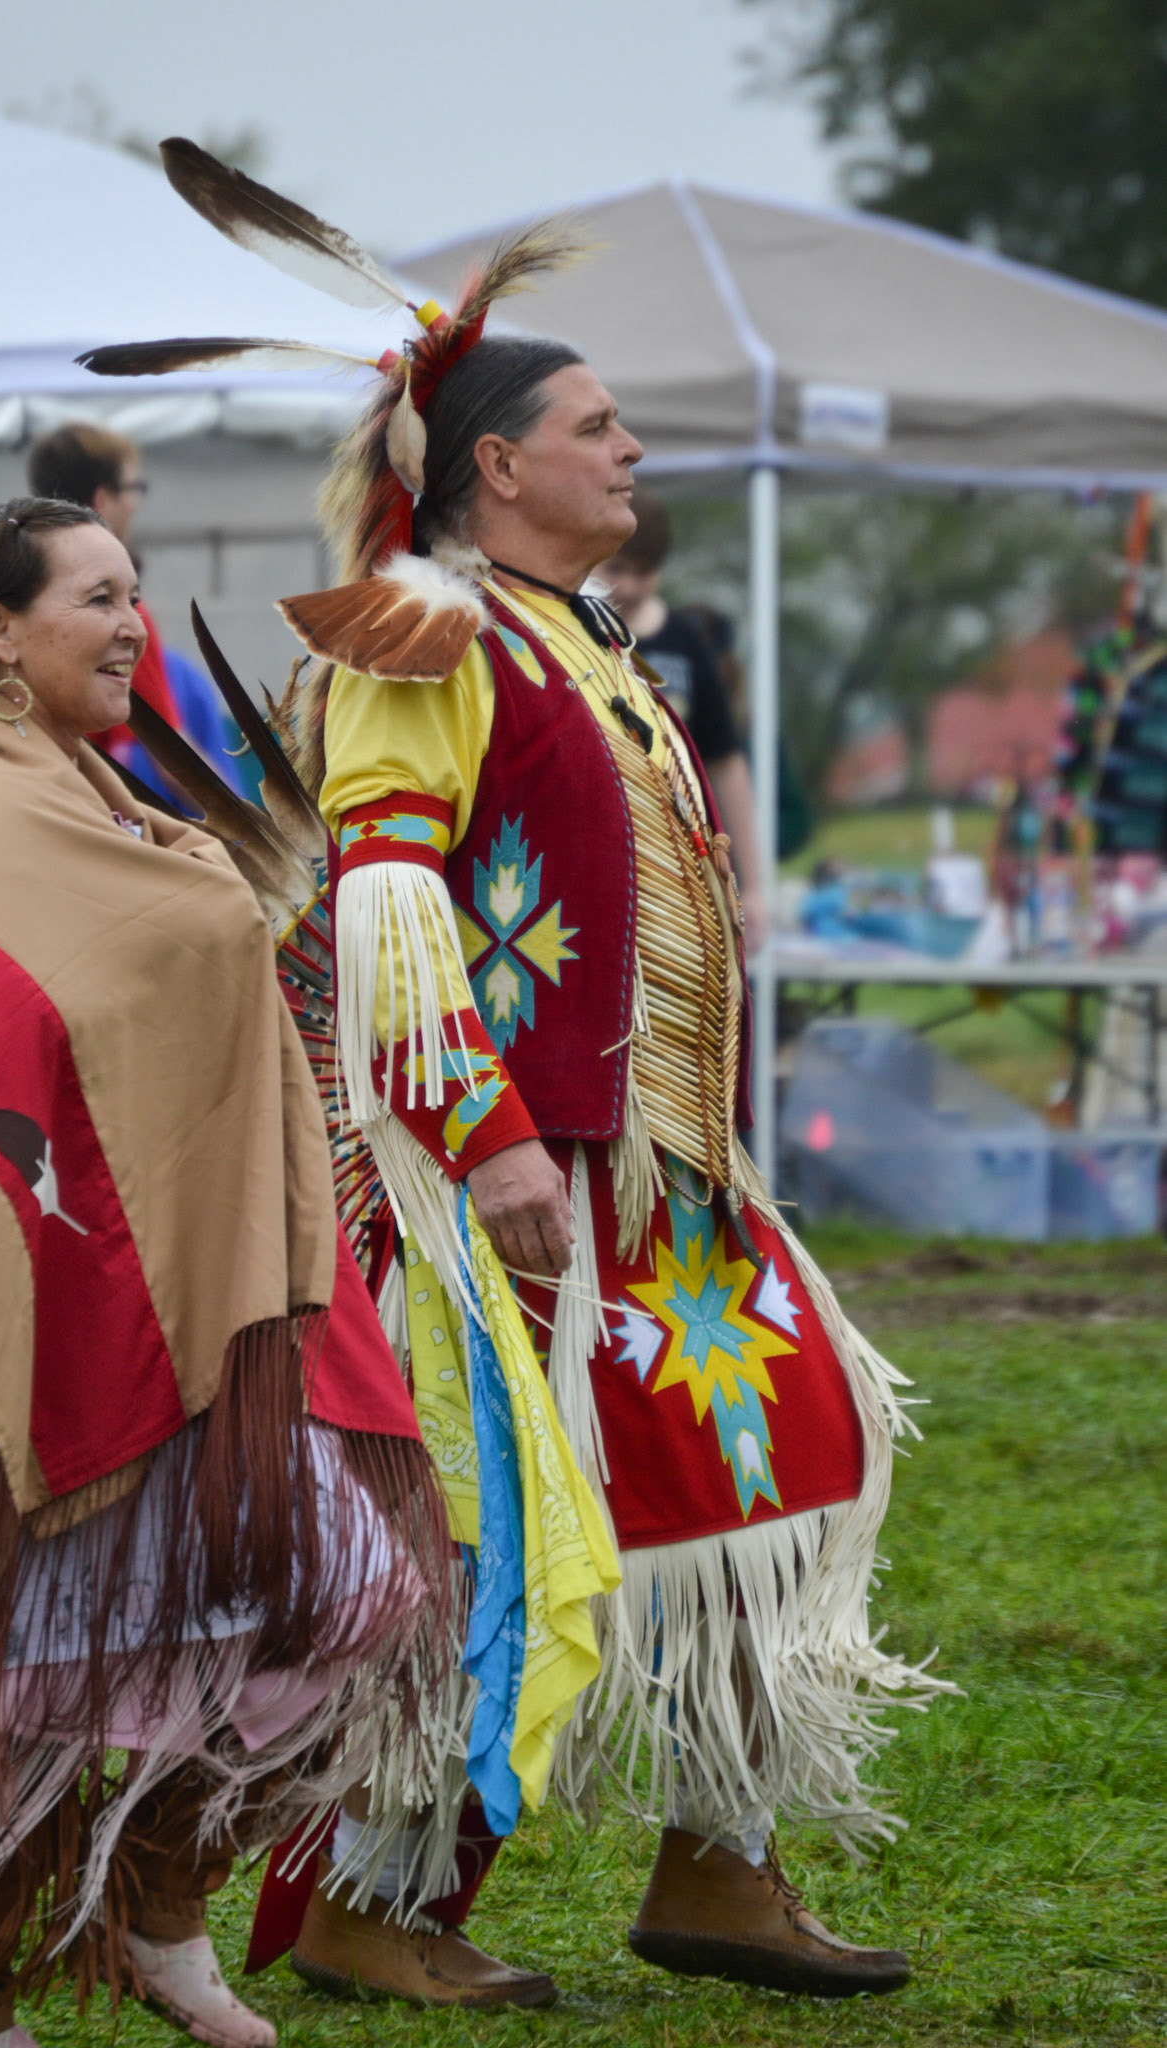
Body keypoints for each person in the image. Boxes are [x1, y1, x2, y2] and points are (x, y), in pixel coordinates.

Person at [267, 301, 949, 2003]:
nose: (631, 447)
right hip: (514, 1175)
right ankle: (377, 1892)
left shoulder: (572, 629)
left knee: (777, 1454)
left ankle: (721, 1863)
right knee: (499, 1521)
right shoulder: (420, 627)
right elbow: (389, 903)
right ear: (496, 464)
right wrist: (489, 1138)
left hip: (662, 1168)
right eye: (599, 424)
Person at [0, 499, 452, 2048]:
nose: (128, 623)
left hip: (185, 1303)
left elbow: (179, 970)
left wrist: (213, 926)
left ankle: (158, 1897)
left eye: (136, 596)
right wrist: (219, 926)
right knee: (27, 1690)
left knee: (363, 1603)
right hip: (39, 1299)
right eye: (95, 597)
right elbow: (0, 1048)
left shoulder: (100, 797)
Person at [0, 424, 183, 774]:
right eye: (101, 599)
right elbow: (174, 758)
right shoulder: (4, 794)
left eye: (132, 600)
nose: (133, 629)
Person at [599, 490, 767, 951]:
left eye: (645, 573)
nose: (630, 587)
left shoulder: (688, 645)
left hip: (679, 868)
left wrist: (752, 888)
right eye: (616, 569)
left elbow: (726, 763)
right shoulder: (572, 632)